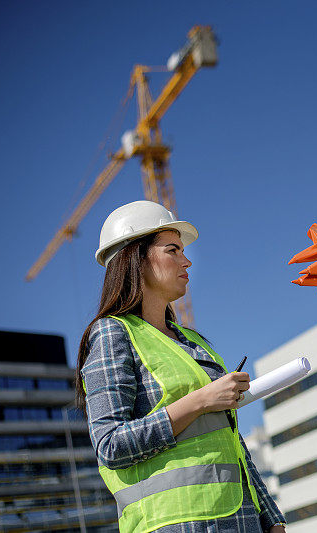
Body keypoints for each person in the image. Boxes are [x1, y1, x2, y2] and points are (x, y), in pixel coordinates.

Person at [77, 200, 286, 533]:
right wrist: (201, 400)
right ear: (135, 258)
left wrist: (270, 518)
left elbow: (231, 441)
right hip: (174, 523)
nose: (186, 261)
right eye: (172, 250)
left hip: (240, 519)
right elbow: (110, 445)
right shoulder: (112, 333)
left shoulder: (192, 342)